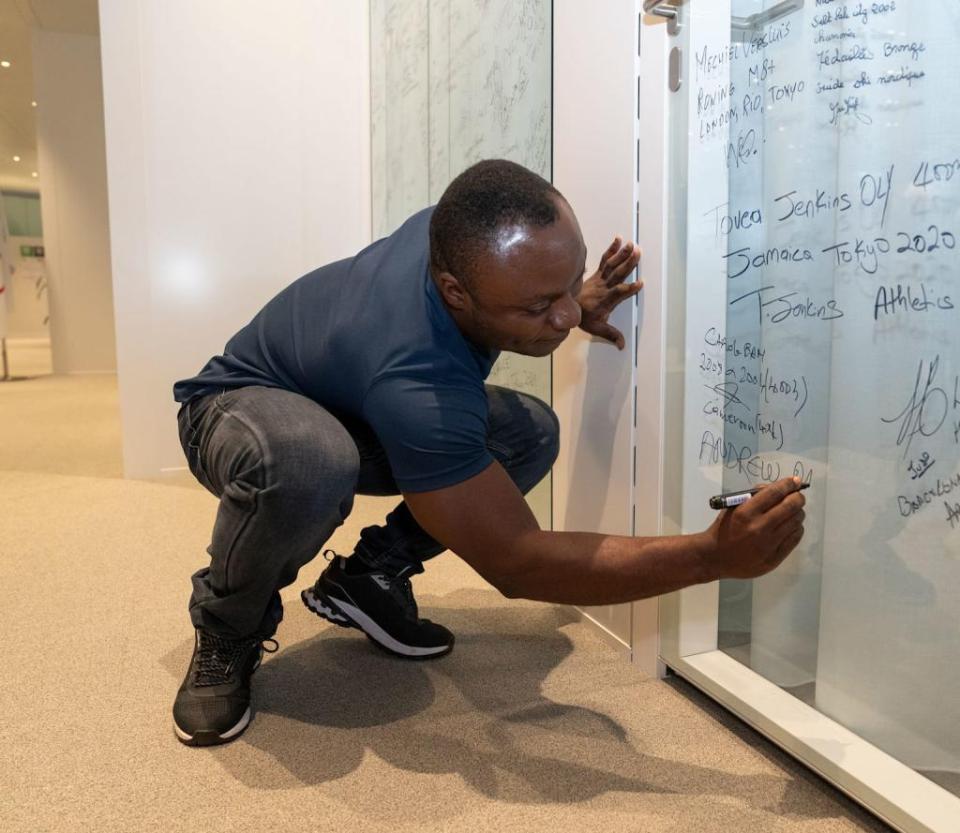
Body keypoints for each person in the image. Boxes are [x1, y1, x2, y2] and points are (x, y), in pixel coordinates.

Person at [171, 159, 807, 747]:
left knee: (526, 430)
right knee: (308, 461)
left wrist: (565, 298)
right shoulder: (416, 379)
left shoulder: (464, 229)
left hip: (349, 401)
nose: (563, 318)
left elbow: (533, 286)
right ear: (455, 291)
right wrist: (709, 555)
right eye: (538, 305)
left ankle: (368, 579)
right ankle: (229, 626)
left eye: (568, 280)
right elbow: (517, 564)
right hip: (234, 410)